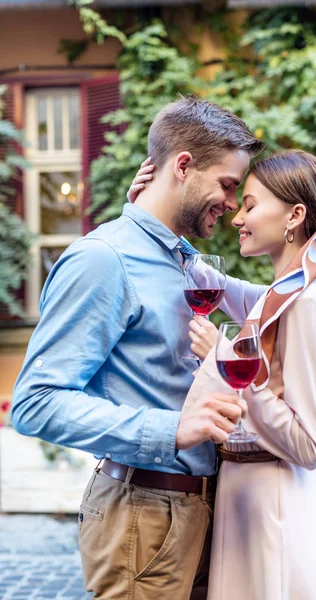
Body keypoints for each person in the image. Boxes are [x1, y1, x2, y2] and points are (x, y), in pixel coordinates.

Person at [11, 96, 265, 600]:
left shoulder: (183, 260)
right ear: (183, 166)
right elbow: (34, 403)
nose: (233, 204)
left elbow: (277, 308)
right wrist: (172, 429)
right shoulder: (103, 260)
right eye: (228, 185)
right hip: (142, 518)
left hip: (199, 509)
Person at [131, 149, 316, 600]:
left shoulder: (307, 303)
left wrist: (227, 364)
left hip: (276, 520)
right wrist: (151, 214)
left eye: (251, 205)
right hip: (249, 507)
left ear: (294, 216)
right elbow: (208, 279)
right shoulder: (283, 293)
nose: (237, 218)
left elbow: (309, 444)